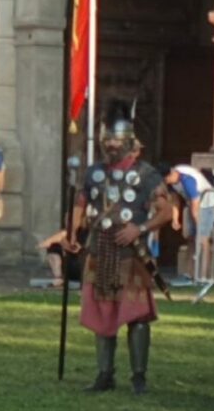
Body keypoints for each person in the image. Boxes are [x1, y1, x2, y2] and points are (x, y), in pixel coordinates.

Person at [65, 100, 172, 394]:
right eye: (106, 139)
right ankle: (104, 374)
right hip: (100, 250)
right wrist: (71, 233)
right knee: (102, 316)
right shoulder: (94, 172)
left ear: (128, 141)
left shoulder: (147, 174)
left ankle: (138, 376)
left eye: (115, 139)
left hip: (131, 253)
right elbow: (80, 204)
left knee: (137, 317)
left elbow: (166, 212)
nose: (110, 144)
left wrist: (140, 228)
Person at [159, 162, 214, 278]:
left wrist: (198, 223)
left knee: (203, 238)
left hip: (206, 203)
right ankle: (190, 273)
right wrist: (175, 218)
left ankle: (203, 275)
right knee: (192, 239)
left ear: (172, 173)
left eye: (167, 178)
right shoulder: (170, 182)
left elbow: (195, 204)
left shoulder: (187, 180)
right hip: (193, 204)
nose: (166, 181)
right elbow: (175, 199)